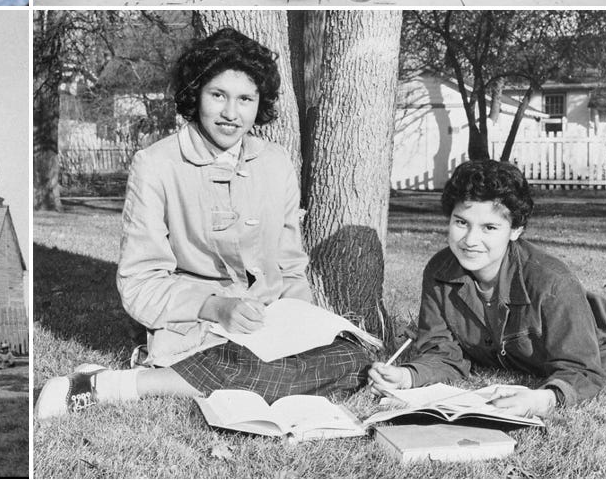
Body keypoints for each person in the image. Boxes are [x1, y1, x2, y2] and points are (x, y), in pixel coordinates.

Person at [37, 27, 369, 419]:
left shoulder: (276, 162)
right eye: (218, 96)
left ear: (259, 104)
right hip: (196, 327)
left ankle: (248, 378)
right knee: (264, 373)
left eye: (245, 99)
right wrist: (214, 307)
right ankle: (115, 384)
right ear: (195, 95)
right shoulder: (155, 165)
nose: (232, 113)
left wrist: (301, 328)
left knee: (357, 358)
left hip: (267, 328)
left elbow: (290, 264)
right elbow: (139, 284)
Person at [368, 160, 606, 416]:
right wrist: (406, 376)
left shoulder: (551, 281)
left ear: (515, 230)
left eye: (489, 228)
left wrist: (542, 400)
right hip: (571, 319)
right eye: (461, 222)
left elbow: (584, 371)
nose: (470, 239)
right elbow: (441, 352)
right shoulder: (439, 271)